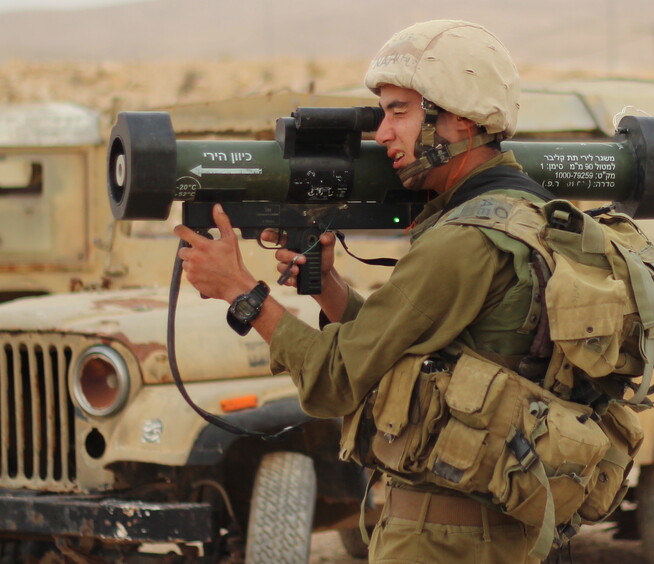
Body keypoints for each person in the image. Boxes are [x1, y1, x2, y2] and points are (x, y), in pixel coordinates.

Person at [176, 19, 555, 564]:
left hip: (443, 539)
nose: (382, 134)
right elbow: (411, 346)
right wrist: (329, 288)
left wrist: (242, 292)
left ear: (461, 120)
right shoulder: (519, 211)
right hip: (499, 527)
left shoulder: (463, 241)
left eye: (400, 112)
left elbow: (336, 381)